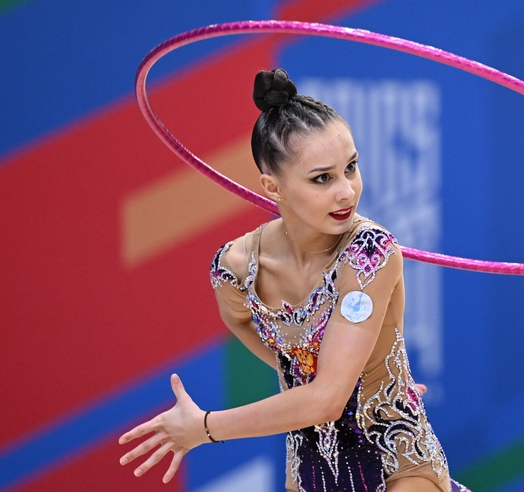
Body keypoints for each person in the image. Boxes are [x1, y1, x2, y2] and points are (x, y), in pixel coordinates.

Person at [119, 68, 470, 492]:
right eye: (322, 178)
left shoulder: (369, 254)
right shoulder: (234, 268)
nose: (346, 191)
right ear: (273, 186)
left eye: (351, 168)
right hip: (310, 472)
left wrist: (205, 427)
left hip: (398, 460)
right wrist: (311, 372)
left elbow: (326, 401)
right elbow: (241, 322)